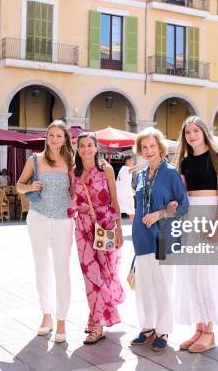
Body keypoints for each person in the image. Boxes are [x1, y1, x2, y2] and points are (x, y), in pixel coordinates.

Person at [173, 116, 218, 353]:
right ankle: (198, 328)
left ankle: (209, 332)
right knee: (191, 274)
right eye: (187, 133)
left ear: (204, 132)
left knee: (206, 274)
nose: (192, 136)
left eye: (195, 131)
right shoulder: (185, 162)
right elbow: (182, 194)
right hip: (191, 215)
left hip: (210, 214)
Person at [130, 127, 188, 352]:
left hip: (164, 236)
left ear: (160, 147)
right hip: (142, 237)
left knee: (162, 284)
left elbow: (183, 205)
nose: (148, 150)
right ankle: (147, 327)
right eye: (144, 147)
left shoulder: (170, 172)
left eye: (152, 146)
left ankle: (162, 330)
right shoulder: (141, 174)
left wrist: (160, 213)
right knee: (144, 286)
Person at [16, 120, 75, 344]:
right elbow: (19, 185)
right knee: (41, 267)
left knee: (62, 269)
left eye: (59, 135)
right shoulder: (35, 160)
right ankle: (46, 316)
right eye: (51, 135)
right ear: (46, 137)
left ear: (65, 139)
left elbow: (75, 189)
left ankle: (62, 320)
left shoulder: (71, 161)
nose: (54, 139)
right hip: (38, 217)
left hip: (63, 220)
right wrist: (29, 187)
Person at [67, 132, 125, 345]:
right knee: (90, 275)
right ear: (78, 149)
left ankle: (94, 315)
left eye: (89, 145)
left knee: (106, 272)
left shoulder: (106, 169)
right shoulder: (73, 172)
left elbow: (115, 202)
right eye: (82, 146)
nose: (85, 149)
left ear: (96, 147)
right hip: (82, 226)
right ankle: (98, 324)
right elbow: (73, 199)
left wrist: (119, 229)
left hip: (105, 224)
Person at [116, 155, 136, 221]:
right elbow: (131, 169)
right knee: (131, 212)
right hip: (125, 195)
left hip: (120, 194)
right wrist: (144, 164)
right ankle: (134, 229)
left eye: (133, 160)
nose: (133, 161)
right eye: (131, 160)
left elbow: (125, 183)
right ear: (127, 161)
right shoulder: (126, 168)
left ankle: (117, 228)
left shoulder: (122, 169)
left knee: (118, 212)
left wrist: (133, 191)